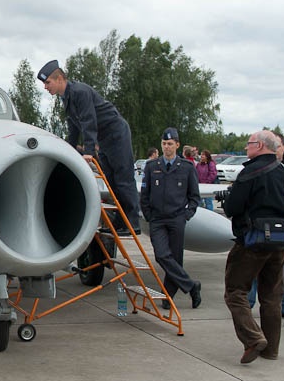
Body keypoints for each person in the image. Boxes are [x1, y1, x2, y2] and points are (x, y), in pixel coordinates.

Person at [38, 60, 140, 232]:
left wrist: (89, 151)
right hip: (105, 139)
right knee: (111, 182)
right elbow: (73, 128)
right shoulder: (66, 98)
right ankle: (121, 222)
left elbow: (88, 121)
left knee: (123, 179)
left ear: (60, 79)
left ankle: (133, 223)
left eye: (48, 82)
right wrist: (68, 151)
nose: (46, 87)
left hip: (116, 134)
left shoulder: (80, 92)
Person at [221, 130, 284, 364]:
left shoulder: (250, 171)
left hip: (252, 240)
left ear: (260, 145)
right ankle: (271, 350)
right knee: (272, 295)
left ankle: (253, 339)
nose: (246, 148)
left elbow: (233, 207)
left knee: (235, 291)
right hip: (280, 240)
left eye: (249, 144)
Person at [140, 127, 202, 309]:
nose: (167, 147)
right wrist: (149, 215)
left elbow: (194, 196)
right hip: (157, 219)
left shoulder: (187, 167)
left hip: (177, 218)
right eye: (164, 144)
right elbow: (144, 194)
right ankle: (191, 286)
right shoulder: (152, 167)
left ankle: (168, 296)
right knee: (161, 255)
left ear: (177, 145)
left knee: (175, 258)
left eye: (170, 144)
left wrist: (186, 215)